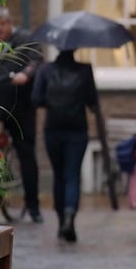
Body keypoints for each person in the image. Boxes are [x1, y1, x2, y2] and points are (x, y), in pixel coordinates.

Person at [0, 6, 43, 223]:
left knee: (26, 153)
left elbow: (36, 61)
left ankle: (33, 206)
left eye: (2, 24)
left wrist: (26, 74)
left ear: (10, 22)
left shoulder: (24, 39)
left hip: (21, 107)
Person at [31, 50, 98, 242]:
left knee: (58, 175)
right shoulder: (85, 71)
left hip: (53, 129)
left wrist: (52, 102)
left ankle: (61, 221)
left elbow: (36, 99)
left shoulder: (45, 70)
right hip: (77, 130)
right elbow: (92, 102)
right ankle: (70, 216)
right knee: (72, 174)